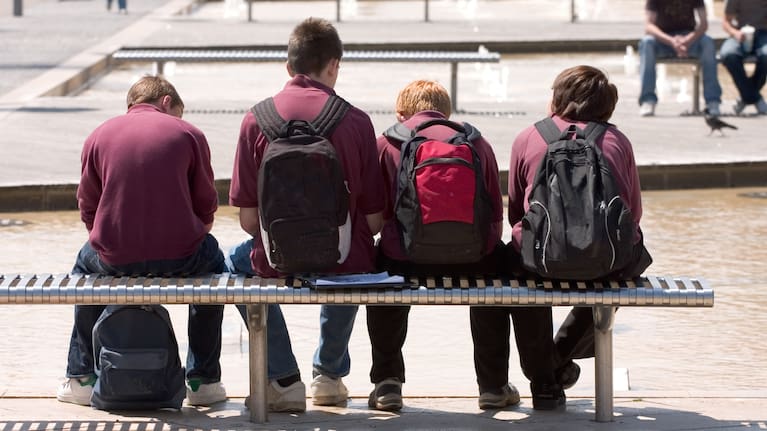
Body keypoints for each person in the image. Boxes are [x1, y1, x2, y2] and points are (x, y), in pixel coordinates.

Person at [228, 17, 385, 409]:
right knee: (356, 249)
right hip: (345, 262)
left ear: (288, 67)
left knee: (233, 264)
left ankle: (282, 379)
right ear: (334, 65)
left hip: (275, 262)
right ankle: (329, 377)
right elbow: (374, 220)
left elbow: (248, 221)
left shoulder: (255, 120)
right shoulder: (356, 121)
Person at [476, 65, 652, 411]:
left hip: (539, 261)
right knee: (626, 265)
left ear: (558, 97)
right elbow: (633, 212)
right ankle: (557, 360)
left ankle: (537, 380)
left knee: (506, 270)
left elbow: (517, 214)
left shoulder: (528, 137)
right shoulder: (616, 141)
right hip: (606, 262)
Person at [57, 75, 229, 407]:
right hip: (183, 256)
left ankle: (80, 377)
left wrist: (109, 240)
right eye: (177, 112)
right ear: (166, 102)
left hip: (115, 257)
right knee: (216, 268)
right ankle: (202, 380)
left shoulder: (98, 135)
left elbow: (87, 206)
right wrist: (191, 234)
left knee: (84, 265)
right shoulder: (190, 134)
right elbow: (207, 205)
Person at [367, 79, 514, 411]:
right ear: (447, 113)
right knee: (494, 273)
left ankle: (388, 382)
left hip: (404, 259)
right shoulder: (477, 142)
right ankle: (492, 385)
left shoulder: (388, 143)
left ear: (401, 113)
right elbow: (494, 214)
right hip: (472, 260)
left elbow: (374, 214)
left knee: (381, 267)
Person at [638, 0, 722, 116]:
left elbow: (703, 24)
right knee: (646, 43)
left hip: (689, 39)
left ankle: (712, 101)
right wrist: (671, 41)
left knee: (708, 43)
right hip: (663, 40)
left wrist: (688, 40)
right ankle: (647, 100)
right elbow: (648, 26)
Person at [720, 0, 767, 115]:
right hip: (739, 32)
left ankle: (746, 96)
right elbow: (726, 22)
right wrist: (735, 33)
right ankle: (754, 98)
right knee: (728, 54)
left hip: (764, 34)